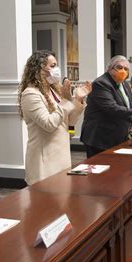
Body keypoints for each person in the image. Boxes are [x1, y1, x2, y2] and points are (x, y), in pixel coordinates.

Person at [18, 50, 90, 185]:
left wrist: (77, 99)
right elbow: (49, 124)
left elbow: (70, 122)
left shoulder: (54, 90)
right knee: (44, 205)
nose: (56, 69)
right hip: (44, 162)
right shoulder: (30, 94)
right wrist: (66, 101)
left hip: (61, 158)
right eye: (52, 66)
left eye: (56, 65)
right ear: (39, 68)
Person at [80, 55, 132, 158]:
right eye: (119, 67)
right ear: (109, 68)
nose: (123, 71)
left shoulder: (124, 83)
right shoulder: (101, 83)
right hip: (100, 137)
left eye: (126, 69)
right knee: (101, 170)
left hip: (117, 135)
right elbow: (112, 108)